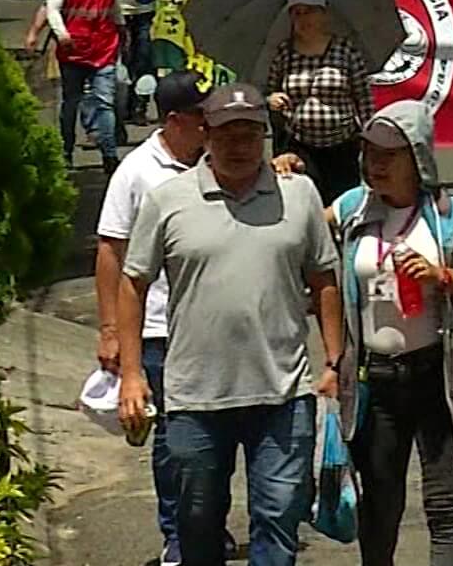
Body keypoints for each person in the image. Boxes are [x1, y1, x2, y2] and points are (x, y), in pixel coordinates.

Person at [117, 84, 343, 566]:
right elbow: (132, 284)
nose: (239, 145)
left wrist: (334, 360)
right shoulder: (166, 200)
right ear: (205, 134)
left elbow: (324, 277)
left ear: (265, 136)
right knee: (197, 525)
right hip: (195, 396)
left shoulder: (299, 195)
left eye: (250, 133)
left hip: (282, 394)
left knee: (278, 522)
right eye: (226, 134)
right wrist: (132, 374)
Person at [328, 101, 453, 566]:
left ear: (417, 156)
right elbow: (302, 232)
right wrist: (286, 175)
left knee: (445, 505)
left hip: (436, 377)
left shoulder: (450, 216)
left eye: (388, 155)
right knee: (380, 507)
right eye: (368, 153)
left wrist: (440, 275)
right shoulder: (351, 208)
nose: (375, 165)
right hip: (375, 380)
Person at [93, 73, 208, 566]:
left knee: (210, 436)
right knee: (173, 439)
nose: (210, 125)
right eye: (202, 117)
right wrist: (111, 330)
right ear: (175, 120)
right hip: (158, 327)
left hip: (210, 326)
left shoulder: (217, 163)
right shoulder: (137, 172)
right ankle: (178, 534)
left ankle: (205, 525)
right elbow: (111, 251)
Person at [267, 0, 376, 205]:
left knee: (343, 205)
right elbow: (269, 91)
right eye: (297, 13)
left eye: (310, 11)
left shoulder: (346, 49)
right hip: (299, 145)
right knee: (303, 205)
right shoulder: (284, 52)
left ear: (324, 14)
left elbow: (363, 98)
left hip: (342, 146)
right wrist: (271, 99)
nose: (303, 18)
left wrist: (371, 140)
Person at [48, 0, 124, 173]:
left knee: (105, 103)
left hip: (103, 50)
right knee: (71, 102)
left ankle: (109, 155)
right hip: (73, 52)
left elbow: (113, 7)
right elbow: (52, 8)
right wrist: (62, 34)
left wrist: (122, 30)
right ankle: (66, 151)